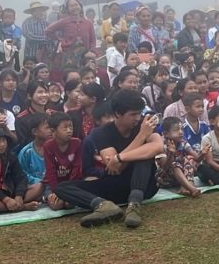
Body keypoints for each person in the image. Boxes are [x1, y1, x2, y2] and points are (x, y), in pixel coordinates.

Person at [53, 89, 164, 229]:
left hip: (144, 187)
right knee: (62, 187)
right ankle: (103, 206)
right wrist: (141, 137)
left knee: (144, 157)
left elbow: (158, 147)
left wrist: (120, 157)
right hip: (116, 185)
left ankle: (134, 206)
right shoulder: (101, 132)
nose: (137, 118)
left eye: (139, 113)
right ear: (118, 113)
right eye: (133, 114)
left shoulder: (144, 126)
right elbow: (115, 169)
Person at [41, 112, 84, 210]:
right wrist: (56, 191)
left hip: (71, 182)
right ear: (53, 130)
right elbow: (50, 171)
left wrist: (69, 188)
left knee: (69, 204)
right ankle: (46, 197)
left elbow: (77, 168)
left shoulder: (77, 143)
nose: (69, 130)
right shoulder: (48, 146)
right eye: (65, 128)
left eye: (71, 127)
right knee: (57, 205)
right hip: (54, 184)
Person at [154, 116, 202, 197]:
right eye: (176, 130)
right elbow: (165, 167)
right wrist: (171, 153)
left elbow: (197, 158)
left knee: (189, 159)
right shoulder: (161, 145)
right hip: (163, 178)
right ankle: (191, 188)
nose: (181, 132)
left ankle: (185, 186)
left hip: (178, 177)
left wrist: (203, 153)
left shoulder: (182, 142)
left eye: (182, 129)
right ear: (166, 133)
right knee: (174, 164)